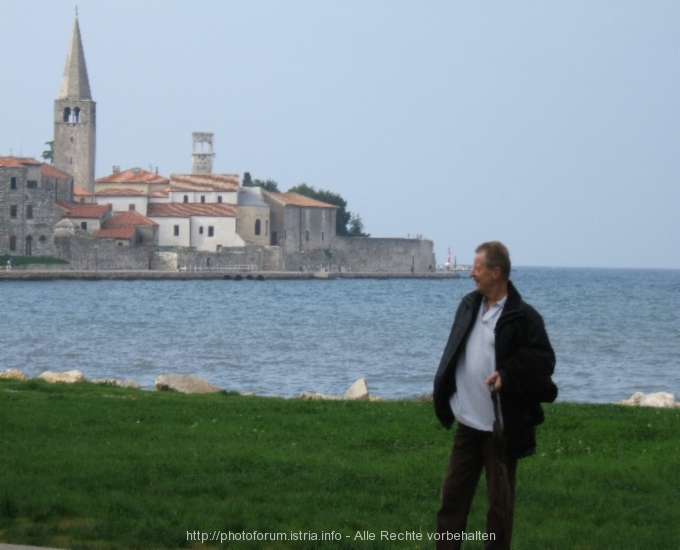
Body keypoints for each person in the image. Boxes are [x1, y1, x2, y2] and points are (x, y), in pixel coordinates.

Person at [433, 241, 557, 550]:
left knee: (499, 511)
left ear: (496, 272)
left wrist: (509, 375)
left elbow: (544, 361)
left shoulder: (523, 317)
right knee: (451, 501)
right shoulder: (469, 305)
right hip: (467, 424)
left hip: (500, 430)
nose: (471, 273)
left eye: (477, 268)